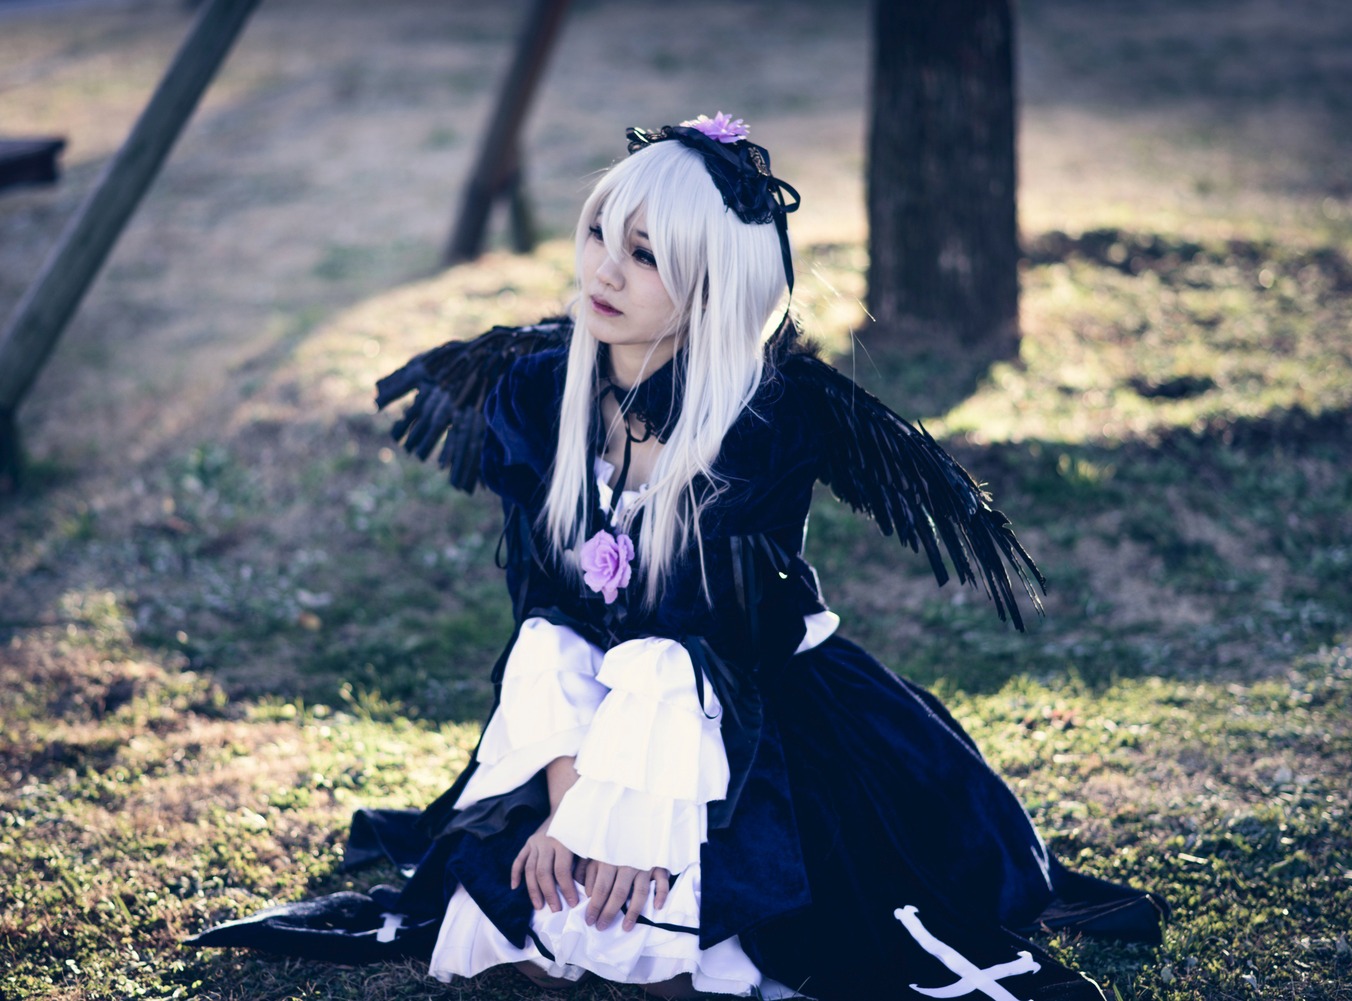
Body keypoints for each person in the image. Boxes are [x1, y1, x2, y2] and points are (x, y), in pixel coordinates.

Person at [188, 113, 1165, 1000]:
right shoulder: (538, 388)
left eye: (644, 255)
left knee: (721, 931)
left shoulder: (769, 418)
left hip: (739, 704)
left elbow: (709, 639)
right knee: (522, 909)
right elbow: (547, 611)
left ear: (711, 286)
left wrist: (626, 816)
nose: (602, 271)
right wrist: (573, 799)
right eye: (599, 235)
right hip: (592, 698)